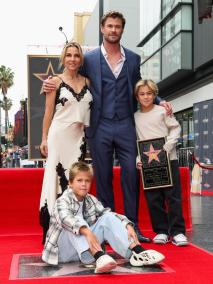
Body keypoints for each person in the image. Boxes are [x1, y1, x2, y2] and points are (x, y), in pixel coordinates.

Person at [43, 11, 172, 242]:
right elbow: (71, 75)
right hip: (99, 126)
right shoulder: (89, 59)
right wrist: (52, 82)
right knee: (102, 178)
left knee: (131, 175)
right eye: (109, 26)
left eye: (118, 27)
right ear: (102, 29)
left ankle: (133, 227)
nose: (113, 30)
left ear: (122, 30)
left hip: (125, 125)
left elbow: (140, 85)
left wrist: (161, 101)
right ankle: (107, 228)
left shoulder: (132, 58)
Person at [42, 161, 165, 273]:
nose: (84, 184)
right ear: (70, 183)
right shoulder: (62, 201)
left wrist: (127, 225)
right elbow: (65, 219)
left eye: (87, 181)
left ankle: (136, 252)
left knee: (107, 217)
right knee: (77, 221)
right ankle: (99, 256)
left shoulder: (90, 199)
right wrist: (87, 232)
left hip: (83, 251)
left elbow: (107, 214)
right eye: (79, 180)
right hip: (61, 254)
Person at [39, 42, 93, 243]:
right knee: (55, 182)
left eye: (76, 55)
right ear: (63, 58)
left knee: (75, 182)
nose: (72, 59)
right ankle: (51, 233)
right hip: (58, 137)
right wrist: (44, 138)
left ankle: (73, 232)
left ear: (81, 59)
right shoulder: (54, 81)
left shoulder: (88, 81)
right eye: (68, 55)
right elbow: (48, 112)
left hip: (78, 139)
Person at [134, 79, 189, 246]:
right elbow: (137, 140)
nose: (146, 97)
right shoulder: (135, 117)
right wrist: (138, 158)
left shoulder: (162, 111)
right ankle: (161, 231)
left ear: (154, 94)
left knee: (173, 197)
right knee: (153, 199)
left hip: (168, 159)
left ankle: (178, 231)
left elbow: (176, 128)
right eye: (142, 94)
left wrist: (168, 146)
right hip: (149, 163)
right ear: (137, 97)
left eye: (149, 93)